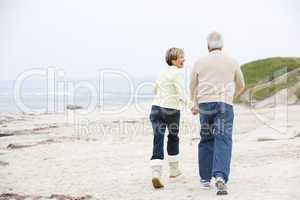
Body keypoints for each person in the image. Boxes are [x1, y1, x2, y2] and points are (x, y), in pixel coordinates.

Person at [190, 32, 245, 195]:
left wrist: (195, 103)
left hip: (205, 104)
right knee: (223, 139)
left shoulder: (199, 62)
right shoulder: (232, 61)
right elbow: (241, 84)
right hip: (224, 104)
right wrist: (231, 96)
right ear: (222, 45)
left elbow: (193, 85)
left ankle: (205, 179)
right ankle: (220, 176)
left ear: (208, 46)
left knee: (206, 139)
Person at [150, 47, 192, 189]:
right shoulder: (177, 73)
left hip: (155, 108)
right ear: (173, 59)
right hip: (171, 110)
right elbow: (181, 93)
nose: (184, 59)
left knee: (158, 137)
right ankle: (174, 172)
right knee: (173, 137)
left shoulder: (161, 72)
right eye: (181, 57)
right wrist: (192, 106)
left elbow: (155, 89)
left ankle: (156, 173)